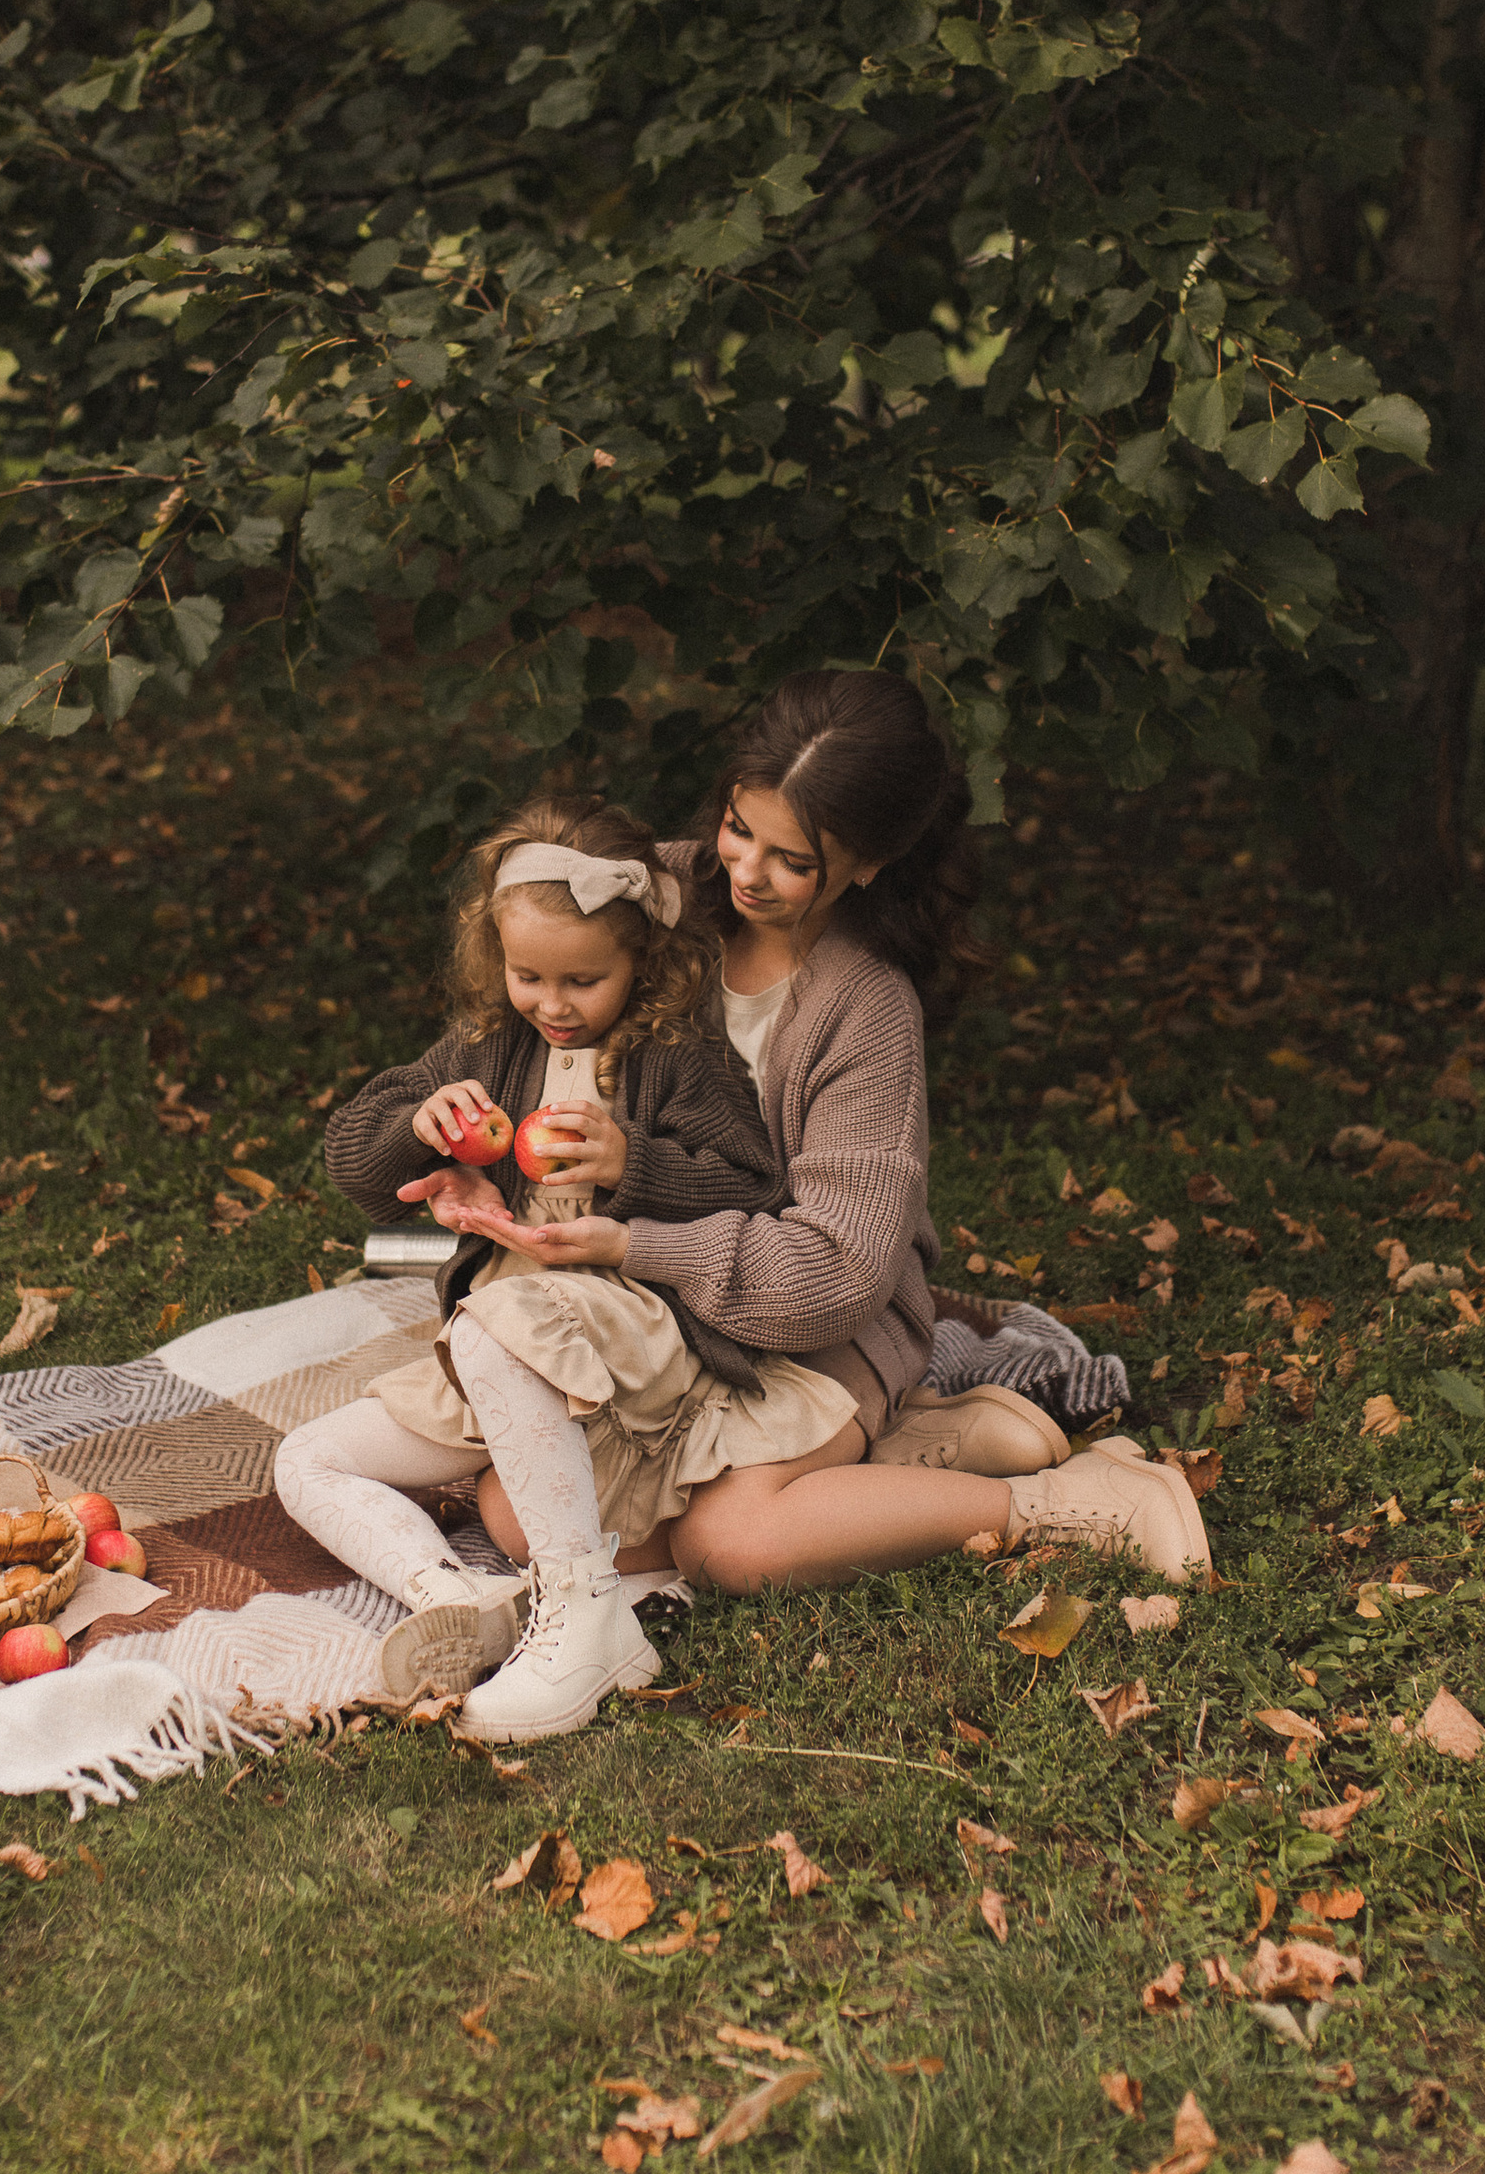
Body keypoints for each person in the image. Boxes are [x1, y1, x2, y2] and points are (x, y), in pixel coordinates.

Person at [422, 673, 1212, 1603]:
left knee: (732, 1545)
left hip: (818, 1322)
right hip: (641, 1314)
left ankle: (1067, 1499)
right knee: (519, 1517)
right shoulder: (651, 899)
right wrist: (446, 1130)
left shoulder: (864, 1010)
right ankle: (909, 1452)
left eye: (793, 859)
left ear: (868, 864)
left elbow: (839, 1273)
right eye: (738, 828)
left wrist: (639, 1242)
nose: (746, 872)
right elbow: (505, 1019)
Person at [279, 801, 873, 1738]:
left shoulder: (678, 1059)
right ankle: (462, 1602)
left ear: (641, 960)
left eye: (583, 981)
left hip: (627, 1327)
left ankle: (580, 1606)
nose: (552, 1005)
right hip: (501, 1343)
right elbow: (353, 1162)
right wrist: (422, 1125)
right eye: (528, 976)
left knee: (491, 1325)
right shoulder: (491, 1045)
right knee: (308, 1460)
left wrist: (632, 1164)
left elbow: (756, 1186)